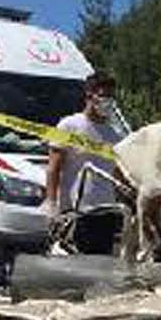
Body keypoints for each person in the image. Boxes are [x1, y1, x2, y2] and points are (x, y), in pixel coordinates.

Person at [43, 72, 128, 214]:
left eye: (111, 97)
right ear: (89, 95)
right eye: (103, 96)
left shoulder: (116, 134)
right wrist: (51, 202)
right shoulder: (68, 125)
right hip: (74, 209)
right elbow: (54, 168)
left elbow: (118, 174)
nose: (108, 102)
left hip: (108, 208)